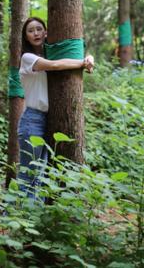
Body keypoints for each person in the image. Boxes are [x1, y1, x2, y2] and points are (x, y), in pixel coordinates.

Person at [17, 17, 94, 200]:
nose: (35, 33)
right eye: (30, 30)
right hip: (32, 120)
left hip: (49, 120)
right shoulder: (28, 58)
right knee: (29, 175)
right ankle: (12, 219)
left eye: (39, 29)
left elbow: (64, 59)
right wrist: (83, 63)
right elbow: (56, 66)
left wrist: (89, 57)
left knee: (41, 175)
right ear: (26, 37)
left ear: (46, 33)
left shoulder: (49, 54)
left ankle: (31, 221)